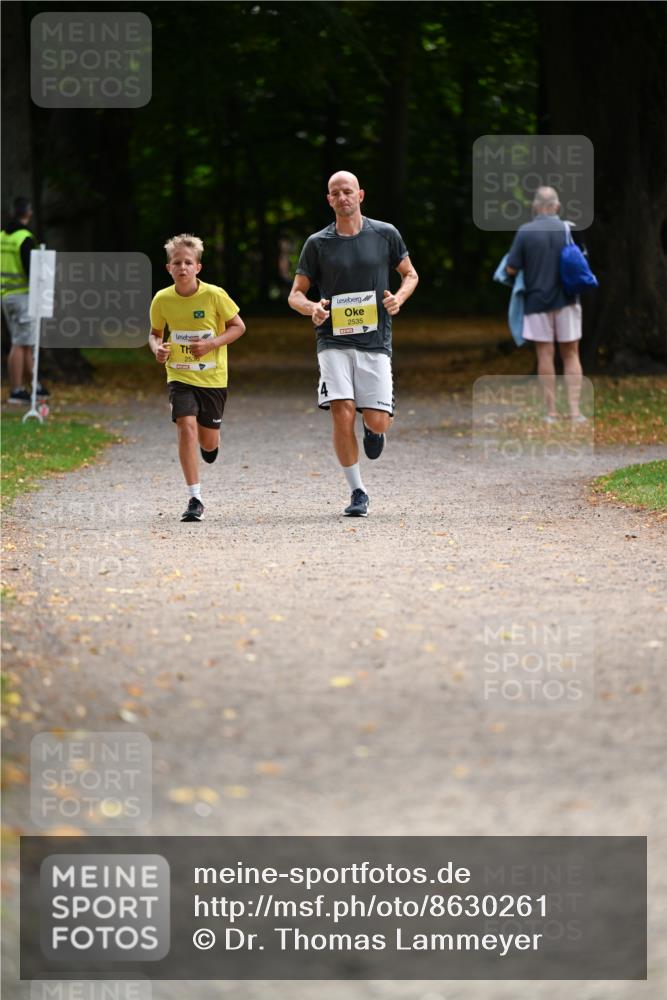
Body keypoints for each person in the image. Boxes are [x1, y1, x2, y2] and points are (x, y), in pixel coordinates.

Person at [288, 171, 418, 517]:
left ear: (360, 195)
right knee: (341, 410)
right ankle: (357, 491)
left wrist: (399, 299)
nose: (342, 197)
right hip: (332, 340)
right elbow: (295, 294)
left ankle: (374, 429)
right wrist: (312, 308)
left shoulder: (385, 234)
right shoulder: (318, 243)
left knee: (377, 421)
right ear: (329, 200)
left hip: (375, 340)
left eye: (348, 191)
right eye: (335, 193)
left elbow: (410, 274)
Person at [148, 233, 246, 522]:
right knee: (185, 426)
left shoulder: (214, 295)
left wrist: (211, 344)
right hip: (179, 375)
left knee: (208, 441)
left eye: (188, 262)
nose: (182, 268)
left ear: (198, 267)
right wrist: (158, 349)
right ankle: (195, 497)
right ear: (169, 268)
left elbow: (238, 326)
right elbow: (155, 334)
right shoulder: (162, 299)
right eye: (176, 263)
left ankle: (211, 447)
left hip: (213, 379)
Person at [505, 186, 586, 422]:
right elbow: (582, 261)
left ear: (535, 207)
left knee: (545, 355)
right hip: (568, 300)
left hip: (536, 301)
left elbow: (511, 268)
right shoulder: (570, 229)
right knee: (571, 354)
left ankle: (550, 412)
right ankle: (574, 412)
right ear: (557, 207)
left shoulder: (525, 231)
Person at [1, 196, 49, 404]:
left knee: (26, 341)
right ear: (28, 213)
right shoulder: (24, 238)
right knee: (20, 343)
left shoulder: (3, 236)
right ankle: (17, 389)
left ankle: (34, 386)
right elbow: (33, 271)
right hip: (22, 296)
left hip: (6, 295)